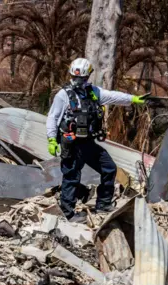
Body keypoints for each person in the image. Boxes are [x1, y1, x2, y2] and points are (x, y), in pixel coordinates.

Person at [46, 58, 146, 222]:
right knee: (71, 177)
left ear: (88, 77)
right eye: (76, 77)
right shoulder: (63, 95)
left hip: (88, 143)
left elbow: (114, 96)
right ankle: (68, 213)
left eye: (82, 78)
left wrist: (133, 99)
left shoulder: (93, 92)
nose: (79, 81)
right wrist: (51, 139)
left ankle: (103, 204)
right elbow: (52, 117)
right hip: (72, 144)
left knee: (109, 168)